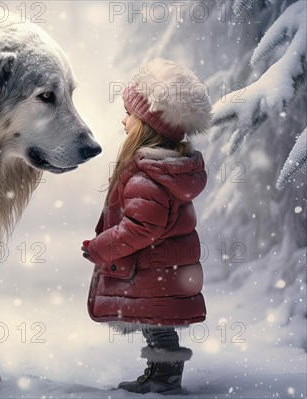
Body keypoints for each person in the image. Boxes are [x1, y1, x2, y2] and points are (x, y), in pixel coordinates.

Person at [81, 58, 212, 394]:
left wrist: (100, 247)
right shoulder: (163, 172)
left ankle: (165, 379)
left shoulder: (146, 177)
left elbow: (141, 228)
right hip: (159, 270)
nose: (123, 120)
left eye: (130, 114)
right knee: (155, 324)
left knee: (157, 327)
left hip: (150, 269)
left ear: (146, 126)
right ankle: (160, 375)